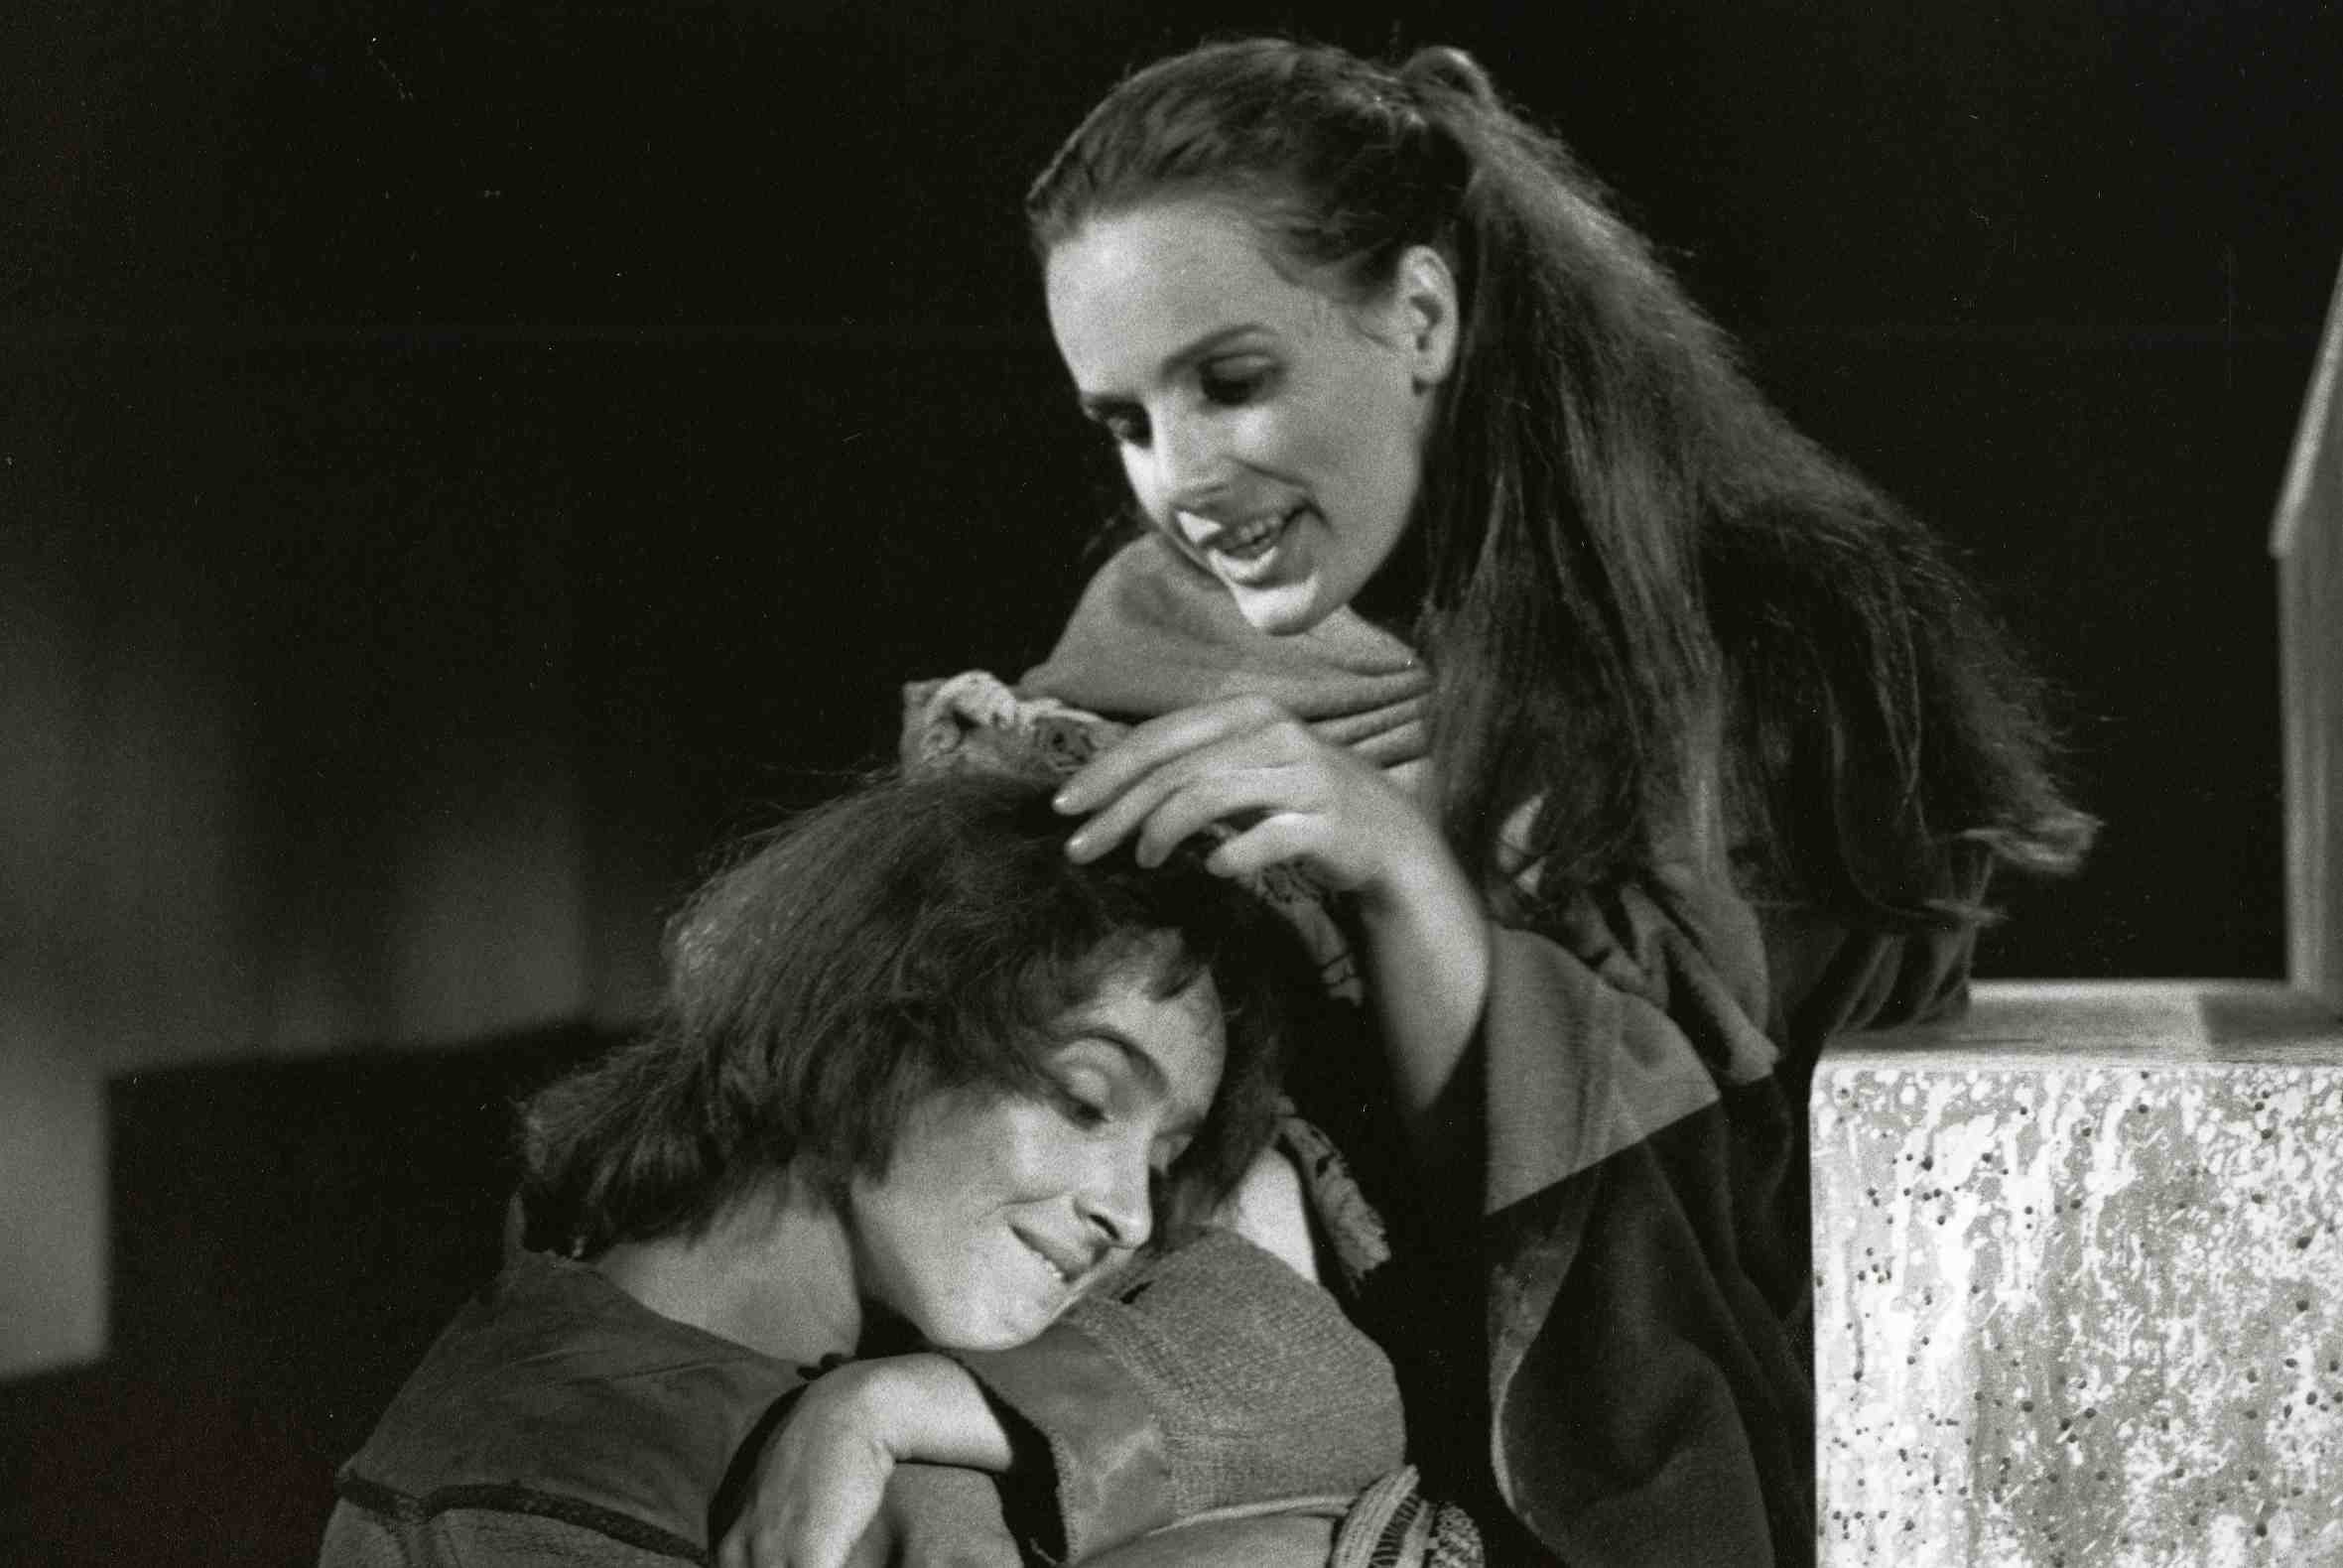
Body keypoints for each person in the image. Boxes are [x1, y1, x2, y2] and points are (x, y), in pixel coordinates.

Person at [985, 34, 2094, 1568]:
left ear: (1420, 315)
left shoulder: (1781, 657)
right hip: (1183, 1382)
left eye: (1231, 383)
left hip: (1537, 1473)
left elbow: (1695, 1260)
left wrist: (1397, 868)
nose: (1182, 481)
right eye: (1124, 421)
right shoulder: (1153, 631)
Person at [319, 769, 1406, 1568]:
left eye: (1161, 1161)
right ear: (874, 1037)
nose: (1128, 1212)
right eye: (1083, 1102)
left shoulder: (925, 1310)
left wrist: (886, 1406)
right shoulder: (516, 1496)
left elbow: (1337, 1383)